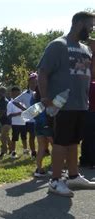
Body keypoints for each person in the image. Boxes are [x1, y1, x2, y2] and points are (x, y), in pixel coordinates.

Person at [38, 11, 95, 197]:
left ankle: (73, 176)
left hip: (81, 104)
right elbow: (43, 72)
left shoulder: (86, 49)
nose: (92, 29)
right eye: (90, 25)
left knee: (73, 141)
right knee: (61, 142)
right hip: (62, 104)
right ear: (79, 24)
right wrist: (46, 98)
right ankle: (55, 181)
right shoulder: (58, 45)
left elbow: (89, 75)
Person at [13, 73, 38, 158]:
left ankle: (45, 150)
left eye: (36, 82)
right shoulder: (25, 93)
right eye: (32, 82)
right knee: (32, 136)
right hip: (31, 119)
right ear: (29, 83)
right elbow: (15, 101)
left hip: (41, 118)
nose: (34, 84)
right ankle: (33, 152)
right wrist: (25, 109)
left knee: (44, 136)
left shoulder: (41, 92)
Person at [33, 86, 54, 177]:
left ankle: (39, 169)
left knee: (41, 147)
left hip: (37, 124)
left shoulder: (32, 99)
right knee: (55, 146)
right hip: (46, 124)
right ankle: (54, 168)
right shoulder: (46, 99)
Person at [80, 49, 95, 168]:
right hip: (90, 112)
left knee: (87, 138)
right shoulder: (90, 84)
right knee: (91, 138)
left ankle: (84, 160)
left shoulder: (85, 83)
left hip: (85, 112)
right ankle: (91, 160)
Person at [7, 86, 28, 159]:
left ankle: (25, 150)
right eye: (15, 94)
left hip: (23, 123)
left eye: (18, 94)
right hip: (15, 124)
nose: (17, 95)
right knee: (14, 138)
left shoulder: (23, 102)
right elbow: (9, 115)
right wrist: (18, 114)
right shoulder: (10, 103)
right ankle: (13, 152)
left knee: (24, 138)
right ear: (12, 94)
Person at [0, 87, 11, 159]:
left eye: (0, 92)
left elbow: (3, 112)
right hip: (4, 121)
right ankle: (11, 149)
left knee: (2, 136)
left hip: (6, 120)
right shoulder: (3, 100)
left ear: (3, 93)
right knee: (6, 135)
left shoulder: (3, 101)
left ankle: (4, 151)